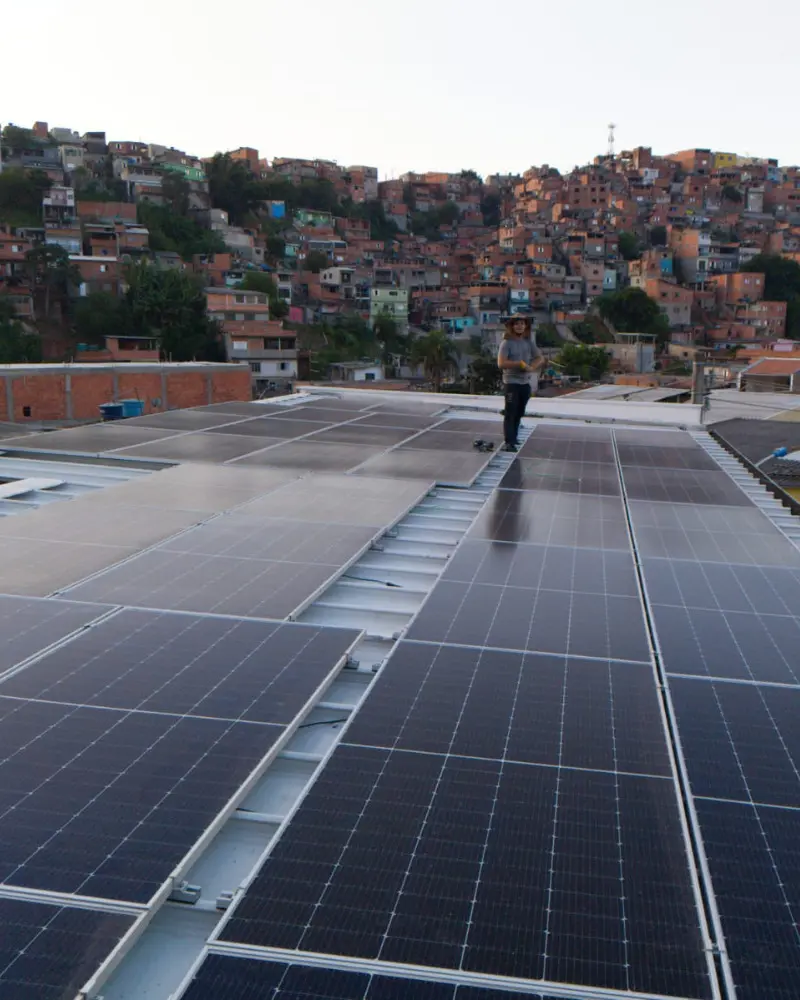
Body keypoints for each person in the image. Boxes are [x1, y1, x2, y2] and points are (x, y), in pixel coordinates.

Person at [497, 315, 543, 452]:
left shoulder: (528, 342)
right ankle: (509, 442)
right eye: (517, 324)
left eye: (522, 324)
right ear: (512, 326)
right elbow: (501, 363)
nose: (519, 326)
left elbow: (539, 357)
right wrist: (520, 364)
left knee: (519, 412)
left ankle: (514, 437)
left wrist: (532, 367)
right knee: (510, 412)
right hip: (511, 382)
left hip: (525, 383)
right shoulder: (506, 343)